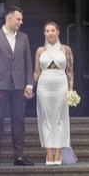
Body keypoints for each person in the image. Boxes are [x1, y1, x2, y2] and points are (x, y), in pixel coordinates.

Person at [0, 6, 35, 167]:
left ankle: (18, 156)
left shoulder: (24, 38)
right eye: (19, 19)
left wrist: (29, 85)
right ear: (9, 18)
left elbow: (28, 62)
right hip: (0, 85)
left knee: (19, 122)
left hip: (19, 86)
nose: (21, 22)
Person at [33, 20, 74, 164]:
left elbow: (70, 72)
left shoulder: (65, 49)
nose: (50, 33)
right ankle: (49, 154)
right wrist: (30, 87)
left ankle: (59, 154)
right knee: (46, 118)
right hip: (44, 85)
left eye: (53, 30)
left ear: (58, 32)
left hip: (60, 85)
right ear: (44, 33)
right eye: (47, 31)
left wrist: (70, 90)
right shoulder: (40, 51)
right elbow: (36, 72)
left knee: (60, 118)